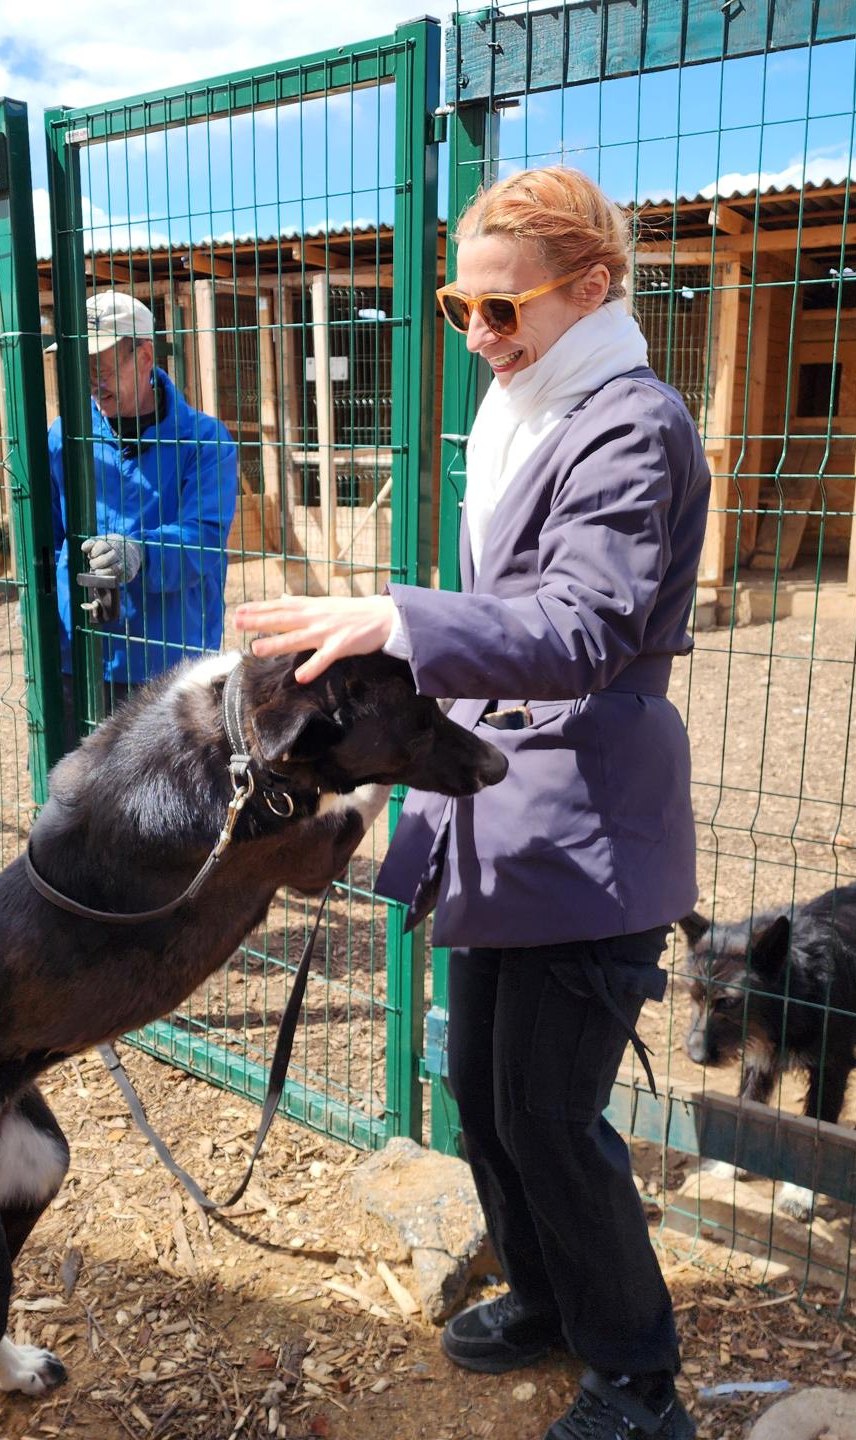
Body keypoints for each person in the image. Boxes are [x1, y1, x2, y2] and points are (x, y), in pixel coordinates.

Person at [235, 167, 707, 1440]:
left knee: (553, 1117)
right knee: (486, 1101)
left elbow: (585, 625)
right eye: (463, 310)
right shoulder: (536, 407)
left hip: (582, 828)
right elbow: (510, 614)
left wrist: (402, 618)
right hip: (501, 815)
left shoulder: (631, 423)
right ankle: (550, 1298)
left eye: (507, 311)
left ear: (594, 289)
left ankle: (639, 1380)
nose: (482, 340)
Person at [48, 290, 238, 722]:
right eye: (82, 365)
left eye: (101, 364)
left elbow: (204, 540)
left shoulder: (204, 443)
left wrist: (141, 552)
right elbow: (48, 539)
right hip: (81, 657)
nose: (91, 380)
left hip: (167, 666)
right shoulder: (64, 437)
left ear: (145, 355)